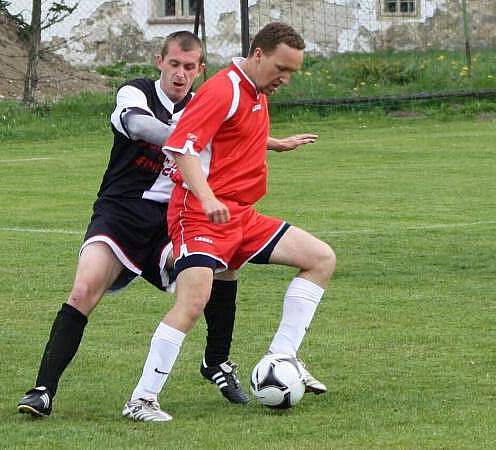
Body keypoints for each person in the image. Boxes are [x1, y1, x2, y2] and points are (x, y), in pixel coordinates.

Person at [17, 31, 251, 418]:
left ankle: (217, 363)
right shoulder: (135, 92)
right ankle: (42, 391)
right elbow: (140, 127)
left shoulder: (203, 105)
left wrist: (265, 141)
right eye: (173, 64)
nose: (180, 74)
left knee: (222, 264)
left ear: (200, 70)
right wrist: (192, 136)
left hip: (172, 219)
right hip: (120, 214)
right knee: (82, 291)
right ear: (160, 61)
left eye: (189, 67)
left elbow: (234, 140)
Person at [123, 22, 336, 422]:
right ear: (258, 55)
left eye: (291, 72)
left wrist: (276, 143)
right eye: (280, 69)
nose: (285, 80)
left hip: (240, 214)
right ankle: (141, 399)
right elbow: (180, 147)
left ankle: (282, 357)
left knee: (321, 258)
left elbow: (231, 134)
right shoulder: (223, 88)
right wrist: (207, 198)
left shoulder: (254, 89)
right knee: (193, 302)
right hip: (199, 215)